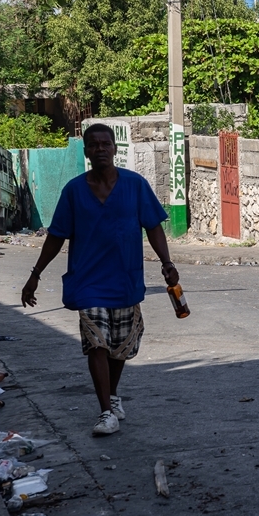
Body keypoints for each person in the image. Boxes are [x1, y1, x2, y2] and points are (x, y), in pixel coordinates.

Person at [21, 123, 179, 436]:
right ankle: (106, 411)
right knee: (97, 343)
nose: (100, 149)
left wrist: (167, 263)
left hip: (125, 280)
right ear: (86, 151)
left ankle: (112, 395)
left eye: (105, 144)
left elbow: (154, 227)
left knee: (120, 347)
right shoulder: (74, 191)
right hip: (88, 282)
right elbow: (56, 237)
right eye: (93, 145)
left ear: (115, 148)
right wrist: (35, 275)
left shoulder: (135, 185)